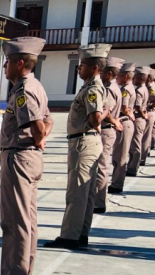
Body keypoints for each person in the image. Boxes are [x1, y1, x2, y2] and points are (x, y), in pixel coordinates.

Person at [0, 36, 49, 275]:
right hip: (26, 156)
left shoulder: (24, 91)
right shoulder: (36, 87)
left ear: (21, 63)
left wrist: (38, 140)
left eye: (8, 61)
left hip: (19, 157)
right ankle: (19, 274)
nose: (4, 66)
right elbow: (48, 121)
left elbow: (39, 127)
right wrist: (39, 141)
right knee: (27, 220)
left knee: (14, 221)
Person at [45, 44, 108, 250]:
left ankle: (70, 236)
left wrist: (97, 119)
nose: (78, 69)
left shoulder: (92, 90)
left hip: (83, 141)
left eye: (82, 65)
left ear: (95, 68)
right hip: (86, 140)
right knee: (86, 194)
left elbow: (96, 118)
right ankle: (81, 234)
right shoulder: (90, 87)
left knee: (77, 192)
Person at [92, 55, 123, 215]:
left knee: (101, 167)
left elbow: (107, 111)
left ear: (109, 74)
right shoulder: (111, 87)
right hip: (107, 129)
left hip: (105, 130)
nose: (100, 74)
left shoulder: (109, 89)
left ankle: (98, 203)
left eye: (102, 71)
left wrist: (113, 120)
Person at [110, 62, 136, 195]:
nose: (116, 78)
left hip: (123, 122)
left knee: (120, 156)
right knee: (120, 155)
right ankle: (116, 182)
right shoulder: (129, 87)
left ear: (125, 76)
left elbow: (124, 108)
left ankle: (116, 184)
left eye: (119, 76)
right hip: (125, 122)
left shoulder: (125, 89)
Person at [128, 66, 148, 177]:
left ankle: (132, 168)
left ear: (140, 78)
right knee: (136, 143)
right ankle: (132, 165)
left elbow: (138, 107)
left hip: (138, 118)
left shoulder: (139, 90)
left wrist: (142, 114)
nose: (133, 79)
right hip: (141, 118)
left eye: (135, 77)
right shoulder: (144, 88)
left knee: (135, 145)